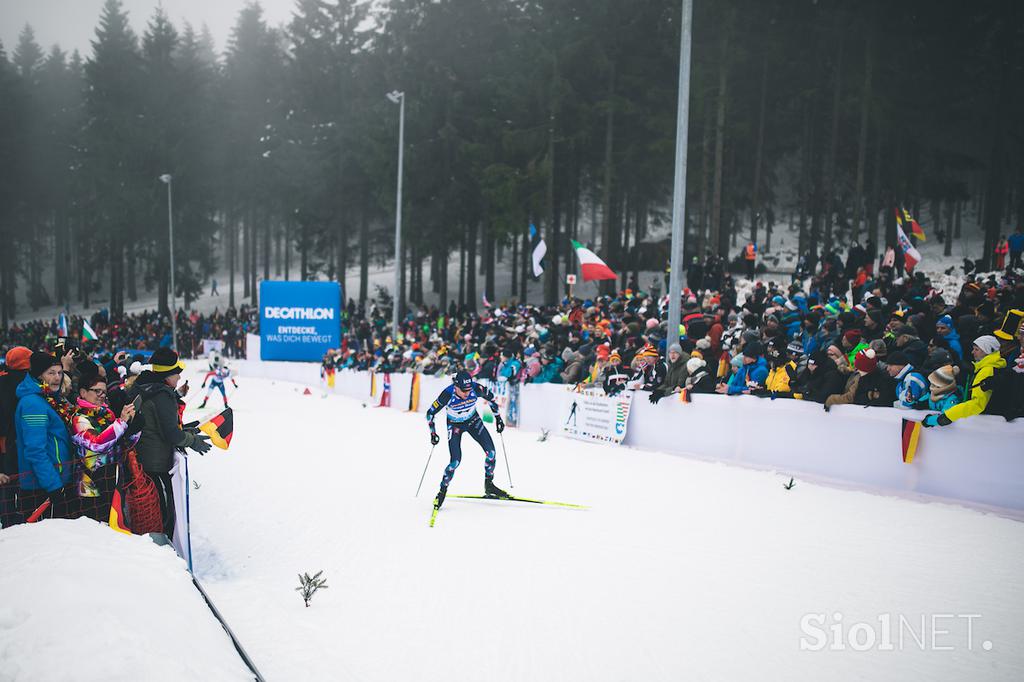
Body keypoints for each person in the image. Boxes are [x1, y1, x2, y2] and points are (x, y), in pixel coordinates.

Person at [132, 348, 211, 537]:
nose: (179, 377)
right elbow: (171, 433)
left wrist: (186, 432)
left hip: (145, 457)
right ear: (167, 375)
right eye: (177, 373)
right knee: (164, 512)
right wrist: (192, 441)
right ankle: (163, 550)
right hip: (155, 463)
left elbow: (161, 424)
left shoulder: (146, 385)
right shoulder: (162, 395)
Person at [425, 370, 506, 511]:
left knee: (491, 453)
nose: (467, 393)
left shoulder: (476, 388)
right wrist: (433, 433)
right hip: (455, 425)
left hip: (473, 421)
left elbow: (492, 399)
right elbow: (430, 413)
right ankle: (442, 492)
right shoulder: (447, 394)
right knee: (455, 461)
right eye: (463, 391)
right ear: (456, 386)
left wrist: (498, 418)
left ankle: (489, 485)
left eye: (468, 390)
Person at [69, 362, 140, 521]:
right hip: (89, 488)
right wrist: (121, 422)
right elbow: (98, 443)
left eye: (104, 392)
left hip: (109, 482)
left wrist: (134, 428)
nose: (101, 395)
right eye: (97, 391)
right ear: (83, 392)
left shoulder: (105, 415)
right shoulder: (79, 418)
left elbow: (119, 442)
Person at [14, 352, 75, 520]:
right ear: (39, 375)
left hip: (53, 481)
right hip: (42, 487)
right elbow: (35, 450)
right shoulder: (33, 404)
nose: (57, 377)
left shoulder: (46, 398)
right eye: (51, 373)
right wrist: (54, 486)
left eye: (60, 372)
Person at [922, 335, 1006, 427]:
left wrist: (944, 417)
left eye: (976, 349)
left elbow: (977, 404)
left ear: (988, 351)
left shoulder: (987, 371)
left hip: (983, 425)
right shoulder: (984, 368)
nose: (972, 352)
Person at [0, 346, 32, 526]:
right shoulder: (19, 386)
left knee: (7, 488)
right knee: (10, 486)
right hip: (12, 445)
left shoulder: (5, 379)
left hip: (9, 444)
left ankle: (8, 521)